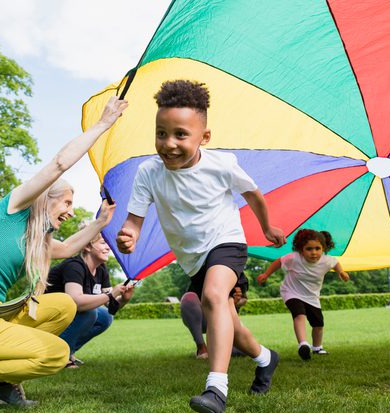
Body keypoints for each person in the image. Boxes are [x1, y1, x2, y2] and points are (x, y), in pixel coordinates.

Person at [0, 96, 128, 413]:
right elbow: (59, 163)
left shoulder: (35, 240)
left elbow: (70, 248)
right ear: (46, 199)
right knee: (56, 354)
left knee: (62, 305)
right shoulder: (13, 210)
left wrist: (101, 222)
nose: (71, 213)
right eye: (67, 204)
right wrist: (103, 123)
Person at [116, 80, 285, 413]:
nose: (169, 144)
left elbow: (253, 194)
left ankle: (216, 390)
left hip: (227, 241)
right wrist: (129, 235)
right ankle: (266, 358)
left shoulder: (220, 165)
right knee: (230, 325)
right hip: (192, 259)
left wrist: (266, 226)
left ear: (203, 137)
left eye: (180, 134)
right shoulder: (148, 172)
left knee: (212, 296)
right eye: (161, 133)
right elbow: (133, 221)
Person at [46, 222, 135, 368]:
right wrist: (111, 294)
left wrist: (124, 299)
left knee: (105, 316)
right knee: (90, 313)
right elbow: (76, 302)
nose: (108, 247)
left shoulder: (101, 269)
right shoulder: (74, 266)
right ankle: (56, 354)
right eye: (103, 243)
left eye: (108, 244)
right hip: (46, 315)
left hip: (66, 315)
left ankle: (68, 352)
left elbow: (110, 306)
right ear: (87, 246)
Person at [257, 229, 349, 361]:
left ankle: (317, 348)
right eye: (309, 249)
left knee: (318, 324)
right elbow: (278, 261)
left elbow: (335, 263)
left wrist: (341, 272)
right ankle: (303, 344)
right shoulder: (294, 258)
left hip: (312, 297)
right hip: (291, 292)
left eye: (318, 248)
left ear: (323, 248)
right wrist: (266, 274)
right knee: (299, 314)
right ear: (301, 249)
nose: (314, 252)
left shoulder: (326, 260)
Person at [181, 285, 248, 360]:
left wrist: (234, 301)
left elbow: (244, 298)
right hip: (204, 316)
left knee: (245, 350)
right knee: (189, 297)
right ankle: (201, 348)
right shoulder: (198, 277)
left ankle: (215, 349)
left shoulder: (235, 276)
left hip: (224, 317)